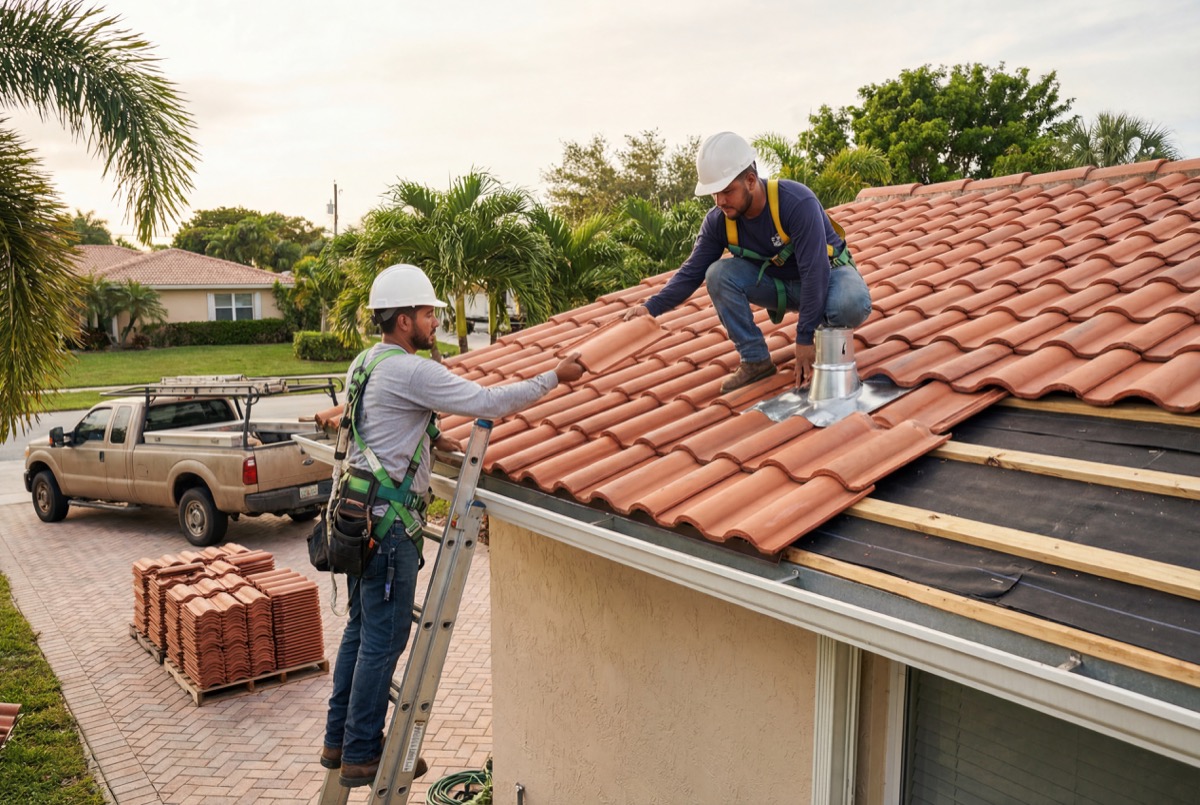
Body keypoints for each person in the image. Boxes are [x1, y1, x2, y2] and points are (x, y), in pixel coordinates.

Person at [320, 263, 586, 787]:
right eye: (425, 313)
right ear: (402, 320)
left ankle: (339, 740)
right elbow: (488, 402)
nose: (433, 321)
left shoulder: (364, 365)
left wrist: (433, 440)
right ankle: (363, 752)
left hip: (356, 517)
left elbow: (381, 424)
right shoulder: (413, 371)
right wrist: (556, 375)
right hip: (388, 529)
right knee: (384, 640)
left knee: (358, 631)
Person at [624, 131, 872, 392]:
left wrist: (804, 338)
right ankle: (755, 360)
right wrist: (650, 308)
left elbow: (815, 271)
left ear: (751, 180)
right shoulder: (719, 221)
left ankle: (826, 332)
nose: (720, 201)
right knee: (717, 273)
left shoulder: (796, 202)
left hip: (827, 278)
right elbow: (691, 273)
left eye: (727, 191)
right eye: (714, 194)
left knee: (850, 303)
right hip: (780, 286)